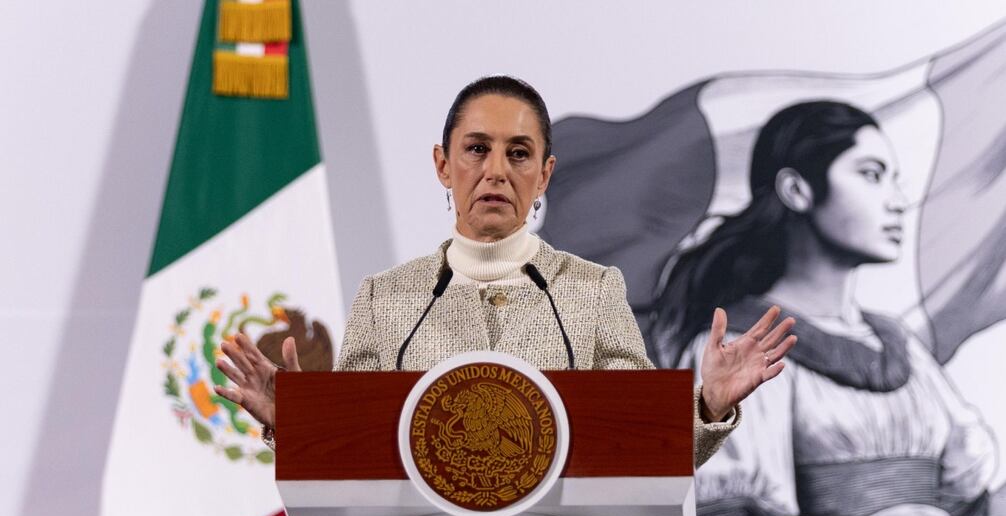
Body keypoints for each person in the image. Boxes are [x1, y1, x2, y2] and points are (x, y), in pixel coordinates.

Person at [212, 75, 796, 469]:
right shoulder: (385, 299)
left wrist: (709, 407)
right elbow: (353, 460)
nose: (496, 171)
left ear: (545, 174)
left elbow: (645, 450)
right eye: (476, 149)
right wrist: (295, 427)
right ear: (443, 165)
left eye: (518, 153)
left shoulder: (594, 293)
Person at [649, 100, 1005, 516]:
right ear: (797, 190)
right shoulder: (741, 350)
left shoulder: (901, 349)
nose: (898, 200)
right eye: (872, 175)